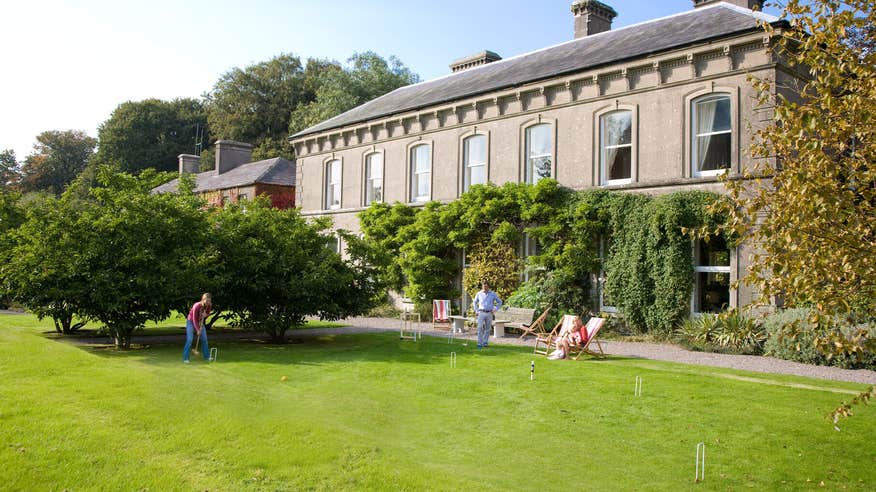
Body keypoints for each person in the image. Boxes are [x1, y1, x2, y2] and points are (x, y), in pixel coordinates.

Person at [183, 293, 212, 363]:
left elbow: (208, 313)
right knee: (190, 339)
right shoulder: (197, 306)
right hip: (191, 321)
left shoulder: (209, 305)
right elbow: (194, 319)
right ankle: (185, 358)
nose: (208, 302)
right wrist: (198, 330)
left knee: (204, 339)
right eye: (207, 301)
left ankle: (207, 356)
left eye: (209, 301)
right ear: (203, 299)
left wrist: (206, 315)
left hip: (200, 322)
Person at [473, 281, 502, 349]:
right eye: (483, 286)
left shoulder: (492, 294)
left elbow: (500, 302)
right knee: (480, 328)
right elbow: (474, 302)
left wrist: (495, 309)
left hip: (489, 313)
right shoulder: (479, 293)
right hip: (481, 312)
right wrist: (476, 310)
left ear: (488, 286)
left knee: (487, 329)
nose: (484, 288)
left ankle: (485, 343)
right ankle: (479, 343)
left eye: (486, 286)